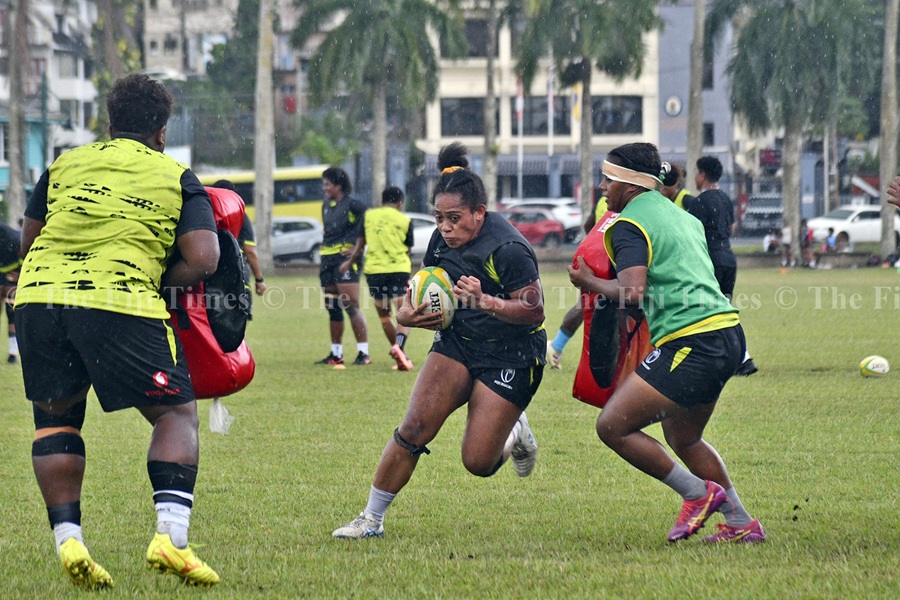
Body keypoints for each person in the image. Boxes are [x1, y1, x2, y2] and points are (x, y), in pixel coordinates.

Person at [14, 74, 221, 589]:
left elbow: (28, 241)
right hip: (119, 298)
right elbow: (204, 258)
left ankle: (69, 540)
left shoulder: (65, 165)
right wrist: (157, 281)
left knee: (55, 419)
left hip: (38, 298)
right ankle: (171, 538)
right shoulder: (176, 175)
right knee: (175, 413)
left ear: (109, 125)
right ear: (161, 132)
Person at [332, 142, 545, 538]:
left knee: (478, 462)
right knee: (413, 426)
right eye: (439, 218)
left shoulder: (509, 248)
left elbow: (534, 311)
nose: (445, 227)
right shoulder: (440, 240)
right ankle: (371, 519)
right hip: (458, 343)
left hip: (511, 355)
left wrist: (485, 301)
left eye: (454, 218)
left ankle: (516, 429)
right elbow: (423, 286)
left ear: (479, 213)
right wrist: (404, 316)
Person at [568, 142, 765, 544]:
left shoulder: (628, 223)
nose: (602, 187)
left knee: (613, 426)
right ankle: (741, 522)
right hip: (727, 334)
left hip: (692, 342)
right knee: (684, 438)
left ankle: (697, 494)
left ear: (630, 184)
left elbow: (632, 291)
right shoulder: (681, 216)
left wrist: (588, 282)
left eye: (608, 179)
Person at [689, 156, 757, 376]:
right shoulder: (726, 199)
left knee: (703, 309)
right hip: (728, 259)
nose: (695, 177)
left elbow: (691, 233)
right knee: (726, 310)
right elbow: (731, 229)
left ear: (702, 175)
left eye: (697, 173)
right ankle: (742, 358)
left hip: (711, 261)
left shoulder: (699, 202)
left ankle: (721, 358)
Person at [342, 186, 415, 371]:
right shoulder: (405, 220)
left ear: (382, 201)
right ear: (400, 203)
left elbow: (360, 246)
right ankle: (400, 348)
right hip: (398, 269)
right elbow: (408, 250)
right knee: (404, 314)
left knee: (384, 317)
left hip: (375, 272)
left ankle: (401, 355)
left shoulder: (369, 216)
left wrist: (349, 263)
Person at [316, 166, 370, 366]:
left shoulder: (354, 205)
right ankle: (336, 353)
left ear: (338, 185)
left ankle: (363, 353)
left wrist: (356, 250)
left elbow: (368, 227)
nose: (325, 188)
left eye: (327, 184)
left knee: (351, 305)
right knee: (333, 307)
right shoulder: (326, 206)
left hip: (345, 261)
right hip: (327, 260)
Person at [212, 180, 267, 299]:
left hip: (211, 277)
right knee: (238, 309)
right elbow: (250, 250)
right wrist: (259, 279)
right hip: (235, 272)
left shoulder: (206, 213)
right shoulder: (239, 214)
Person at [0, 221, 21, 364]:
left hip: (12, 271)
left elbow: (23, 251)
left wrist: (20, 275)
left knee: (11, 310)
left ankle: (13, 352)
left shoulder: (9, 235)